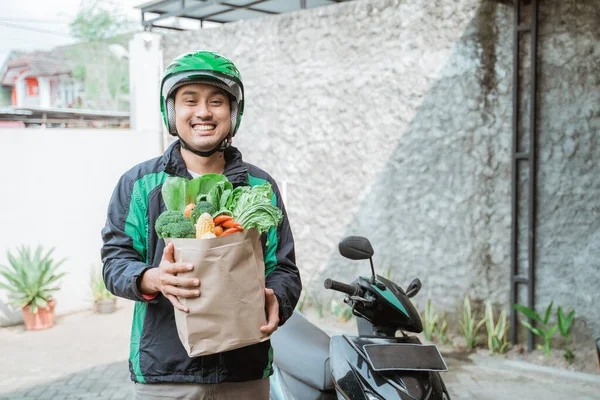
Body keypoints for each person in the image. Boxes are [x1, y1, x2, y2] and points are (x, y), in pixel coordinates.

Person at [101, 50, 302, 400]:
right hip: (166, 375)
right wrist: (153, 279)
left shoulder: (259, 187)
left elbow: (283, 268)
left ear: (232, 112)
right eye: (189, 101)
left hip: (245, 372)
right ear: (172, 112)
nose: (204, 112)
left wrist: (277, 299)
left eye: (217, 101)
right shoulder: (140, 184)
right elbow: (114, 262)